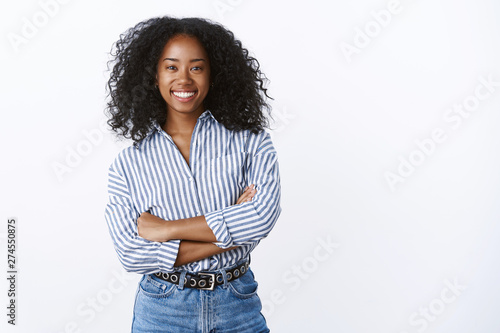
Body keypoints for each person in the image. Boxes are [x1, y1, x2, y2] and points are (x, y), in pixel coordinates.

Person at [104, 16, 281, 332]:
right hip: (162, 309)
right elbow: (132, 254)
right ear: (153, 75)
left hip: (237, 304)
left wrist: (166, 230)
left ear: (214, 75)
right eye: (171, 67)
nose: (184, 79)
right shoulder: (127, 166)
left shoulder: (250, 140)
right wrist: (232, 235)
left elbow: (262, 217)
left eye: (196, 67)